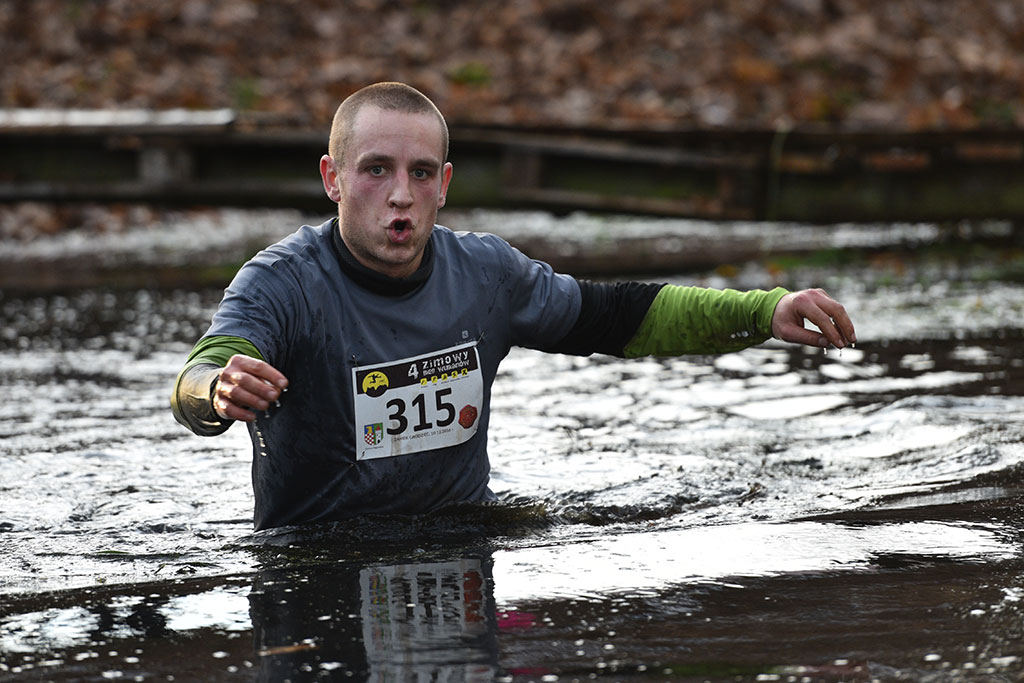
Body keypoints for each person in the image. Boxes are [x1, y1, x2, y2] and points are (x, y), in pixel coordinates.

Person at [171, 82, 855, 532]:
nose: (399, 195)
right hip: (314, 559)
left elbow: (617, 316)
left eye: (419, 174)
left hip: (463, 533)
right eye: (376, 169)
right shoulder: (283, 282)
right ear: (333, 179)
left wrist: (763, 311)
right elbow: (199, 376)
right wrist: (220, 388)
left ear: (444, 186)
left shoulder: (487, 274)